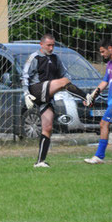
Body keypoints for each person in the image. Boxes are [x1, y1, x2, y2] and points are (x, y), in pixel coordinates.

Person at [22, 33, 94, 168]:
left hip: (46, 96)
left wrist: (66, 87)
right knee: (64, 82)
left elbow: (65, 76)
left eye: (53, 45)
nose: (51, 48)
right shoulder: (34, 57)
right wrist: (26, 94)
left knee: (47, 127)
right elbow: (24, 76)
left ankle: (40, 162)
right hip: (36, 90)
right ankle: (86, 97)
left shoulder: (55, 58)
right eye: (48, 45)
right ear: (41, 44)